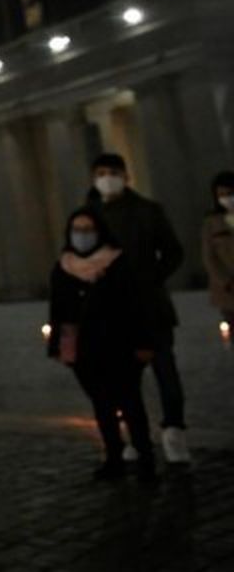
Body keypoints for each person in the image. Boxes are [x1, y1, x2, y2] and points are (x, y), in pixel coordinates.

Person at [87, 153, 188, 464]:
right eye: (102, 173)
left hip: (150, 306)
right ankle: (137, 435)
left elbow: (173, 251)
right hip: (112, 312)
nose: (108, 178)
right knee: (123, 380)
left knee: (165, 372)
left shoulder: (148, 211)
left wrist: (150, 278)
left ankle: (174, 430)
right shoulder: (88, 216)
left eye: (113, 172)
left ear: (126, 176)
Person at [47, 207, 157, 481]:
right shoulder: (63, 266)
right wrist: (58, 346)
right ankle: (114, 457)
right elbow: (58, 310)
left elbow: (136, 305)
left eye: (87, 230)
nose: (81, 236)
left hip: (119, 344)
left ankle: (146, 459)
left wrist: (144, 342)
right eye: (77, 230)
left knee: (131, 403)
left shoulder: (118, 263)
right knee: (102, 404)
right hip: (84, 348)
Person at [203, 171, 234, 331]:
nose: (226, 198)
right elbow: (209, 257)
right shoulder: (212, 222)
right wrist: (226, 281)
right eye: (221, 195)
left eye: (229, 193)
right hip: (228, 292)